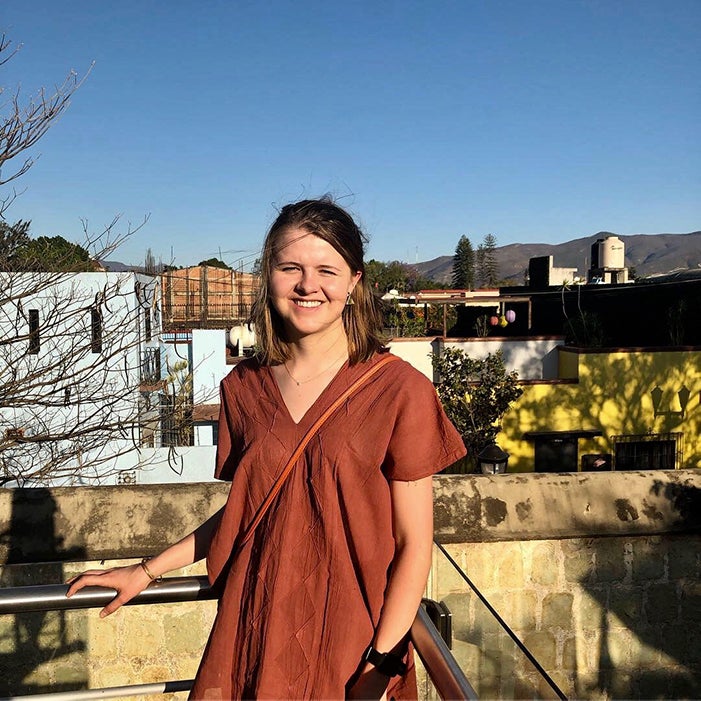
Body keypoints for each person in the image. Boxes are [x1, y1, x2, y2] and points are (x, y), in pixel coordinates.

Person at [67, 198, 466, 700]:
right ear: (268, 276)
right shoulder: (244, 388)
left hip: (353, 641)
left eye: (327, 269)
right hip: (252, 624)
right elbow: (250, 511)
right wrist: (147, 570)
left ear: (354, 283)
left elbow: (414, 545)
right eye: (290, 267)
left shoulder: (399, 389)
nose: (307, 285)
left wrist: (381, 661)